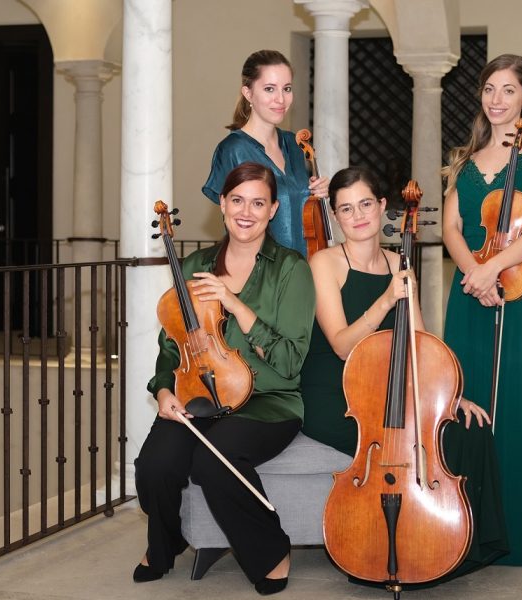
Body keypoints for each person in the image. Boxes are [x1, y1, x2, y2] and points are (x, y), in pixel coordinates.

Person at [300, 166, 508, 584]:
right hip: (339, 393)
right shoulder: (324, 263)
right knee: (398, 444)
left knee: (470, 429)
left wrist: (449, 397)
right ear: (336, 218)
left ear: (381, 208)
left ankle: (456, 548)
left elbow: (420, 343)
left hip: (391, 385)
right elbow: (342, 345)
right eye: (345, 209)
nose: (357, 216)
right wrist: (384, 300)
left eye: (364, 204)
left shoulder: (400, 263)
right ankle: (387, 549)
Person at [134, 162, 316, 595]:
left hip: (268, 402)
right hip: (199, 397)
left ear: (273, 210)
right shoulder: (196, 265)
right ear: (222, 203)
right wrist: (163, 390)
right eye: (237, 200)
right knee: (154, 466)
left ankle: (271, 549)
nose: (246, 211)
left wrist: (237, 305)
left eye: (258, 202)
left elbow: (291, 360)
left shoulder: (291, 270)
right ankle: (166, 543)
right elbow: (171, 348)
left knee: (215, 463)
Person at [441, 54, 522, 568]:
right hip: (469, 294)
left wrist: (494, 270)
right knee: (467, 403)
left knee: (520, 408)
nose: (497, 100)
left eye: (508, 90)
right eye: (489, 89)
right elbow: (451, 228)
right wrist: (475, 272)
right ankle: (470, 531)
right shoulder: (466, 161)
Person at [203, 50, 328, 257]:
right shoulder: (233, 149)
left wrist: (319, 194)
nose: (281, 99)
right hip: (260, 273)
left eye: (287, 89)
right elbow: (236, 222)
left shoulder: (294, 144)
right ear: (248, 93)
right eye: (270, 89)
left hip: (303, 270)